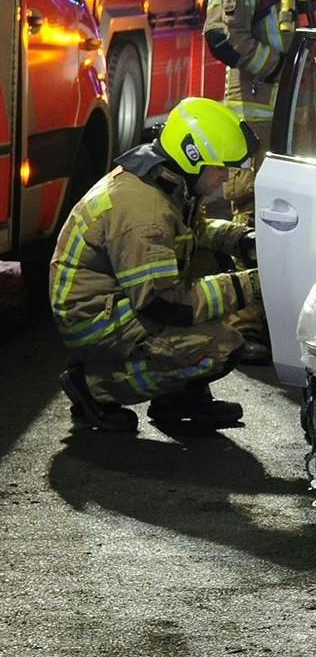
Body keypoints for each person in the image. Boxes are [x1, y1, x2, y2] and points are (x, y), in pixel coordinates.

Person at [51, 97, 265, 432]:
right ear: (192, 158)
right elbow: (164, 303)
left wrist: (240, 239)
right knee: (221, 346)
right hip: (96, 319)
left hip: (114, 302)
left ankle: (179, 400)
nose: (226, 176)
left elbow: (192, 230)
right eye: (221, 166)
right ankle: (94, 385)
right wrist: (250, 285)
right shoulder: (144, 212)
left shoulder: (162, 181)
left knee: (210, 309)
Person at [202, 0, 316, 363]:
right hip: (256, 116)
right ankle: (242, 326)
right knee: (252, 217)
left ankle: (270, 318)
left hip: (291, 120)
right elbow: (223, 35)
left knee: (285, 219)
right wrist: (280, 71)